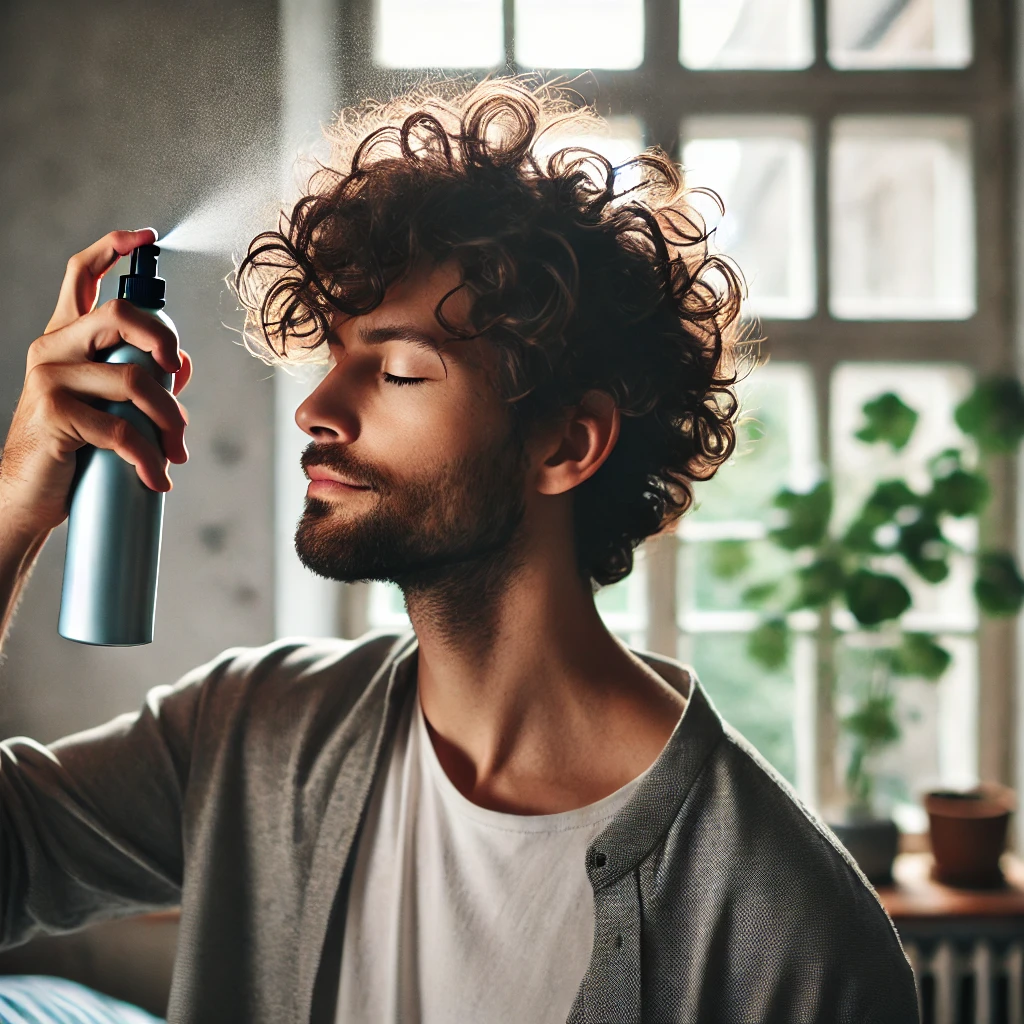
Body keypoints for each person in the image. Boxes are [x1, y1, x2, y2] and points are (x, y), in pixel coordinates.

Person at [0, 77, 918, 1023]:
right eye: (335, 357)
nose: (317, 411)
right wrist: (12, 510)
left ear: (566, 445)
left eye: (397, 370)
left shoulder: (793, 934)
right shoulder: (253, 735)